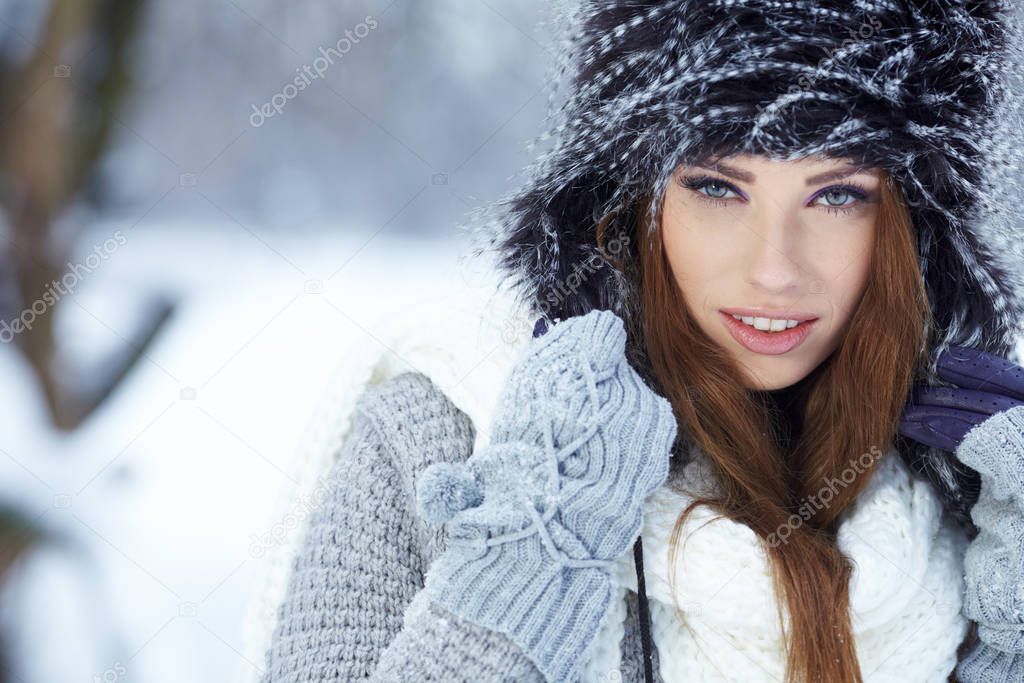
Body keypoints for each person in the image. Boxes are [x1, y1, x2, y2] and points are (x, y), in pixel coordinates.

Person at [239, 1, 1024, 681]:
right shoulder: (444, 438)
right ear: (629, 198)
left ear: (909, 227)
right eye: (718, 187)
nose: (776, 269)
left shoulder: (966, 479)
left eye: (837, 196)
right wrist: (527, 561)